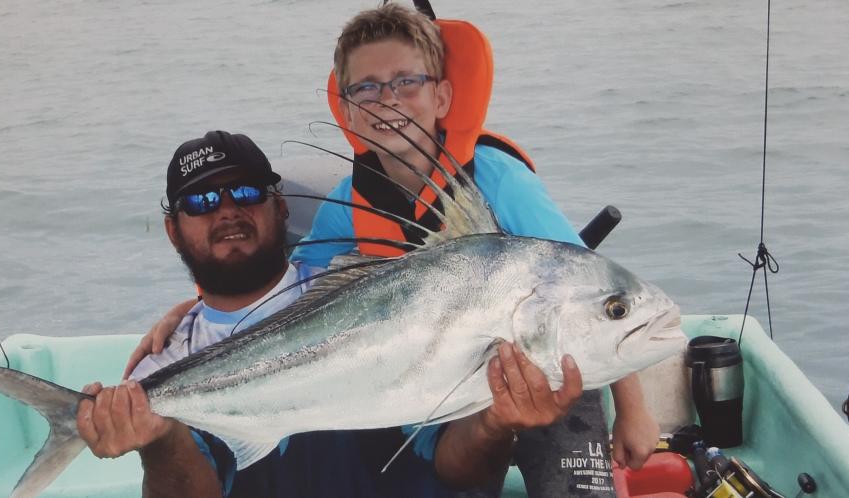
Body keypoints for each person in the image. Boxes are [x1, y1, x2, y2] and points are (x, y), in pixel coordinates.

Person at [131, 3, 658, 473]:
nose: (387, 100)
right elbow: (291, 291)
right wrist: (193, 307)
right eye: (366, 87)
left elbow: (589, 286)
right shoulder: (349, 201)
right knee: (463, 482)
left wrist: (633, 412)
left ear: (442, 95)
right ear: (349, 109)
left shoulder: (498, 178)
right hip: (454, 385)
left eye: (407, 81)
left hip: (556, 367)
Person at [79, 130, 584, 498]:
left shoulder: (380, 297)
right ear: (173, 229)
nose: (228, 210)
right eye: (203, 199)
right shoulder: (156, 371)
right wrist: (160, 440)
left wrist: (495, 422)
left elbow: (461, 470)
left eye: (249, 192)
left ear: (280, 207)